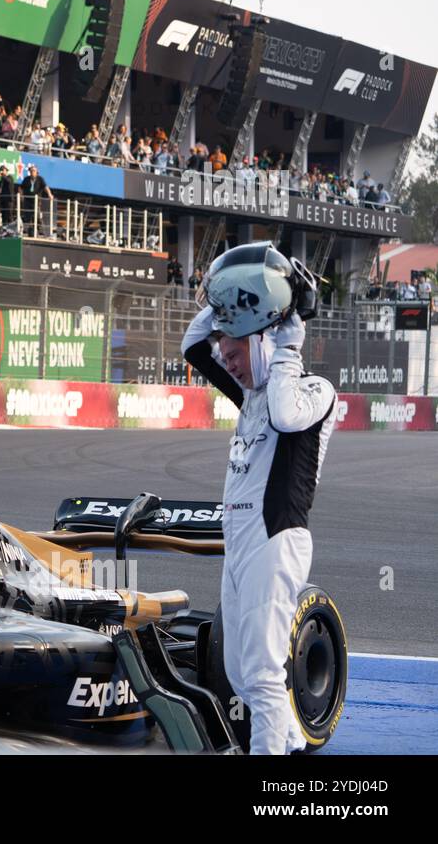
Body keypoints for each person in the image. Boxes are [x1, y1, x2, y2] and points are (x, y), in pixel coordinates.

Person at [182, 244, 336, 754]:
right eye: (226, 355)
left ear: (265, 344)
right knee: (239, 673)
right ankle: (288, 746)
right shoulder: (251, 393)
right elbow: (193, 345)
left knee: (265, 674)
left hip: (276, 540)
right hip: (242, 541)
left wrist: (288, 337)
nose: (227, 361)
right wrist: (227, 305)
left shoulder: (313, 390)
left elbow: (287, 416)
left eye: (235, 351)